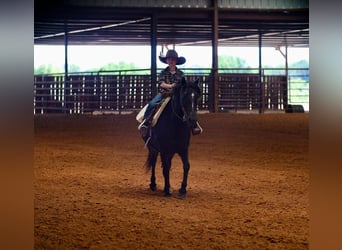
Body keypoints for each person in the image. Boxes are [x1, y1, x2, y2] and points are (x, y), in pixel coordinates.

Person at [138, 49, 202, 135]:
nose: (171, 61)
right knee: (152, 104)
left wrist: (178, 88)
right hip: (164, 94)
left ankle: (194, 124)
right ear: (167, 60)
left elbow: (183, 85)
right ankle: (145, 122)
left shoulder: (181, 73)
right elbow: (162, 84)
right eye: (169, 59)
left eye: (173, 59)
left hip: (177, 95)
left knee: (188, 105)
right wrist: (172, 86)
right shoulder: (163, 72)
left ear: (176, 61)